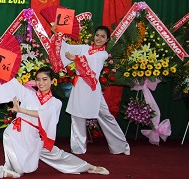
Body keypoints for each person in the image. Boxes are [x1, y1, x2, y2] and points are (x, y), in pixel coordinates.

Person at [0, 66, 109, 177]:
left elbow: (44, 114)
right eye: (38, 79)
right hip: (17, 131)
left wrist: (21, 110)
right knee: (18, 168)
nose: (41, 83)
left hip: (35, 136)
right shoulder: (28, 94)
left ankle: (88, 167)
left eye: (45, 79)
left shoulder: (55, 102)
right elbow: (10, 81)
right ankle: (9, 169)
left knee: (58, 155)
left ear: (52, 81)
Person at [51, 24, 130, 155]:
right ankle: (78, 149)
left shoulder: (103, 54)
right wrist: (57, 35)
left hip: (92, 88)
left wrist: (76, 58)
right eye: (97, 35)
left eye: (103, 36)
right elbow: (67, 48)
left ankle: (121, 146)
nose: (99, 38)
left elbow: (93, 59)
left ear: (107, 40)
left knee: (106, 116)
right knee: (77, 116)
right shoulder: (85, 48)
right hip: (80, 86)